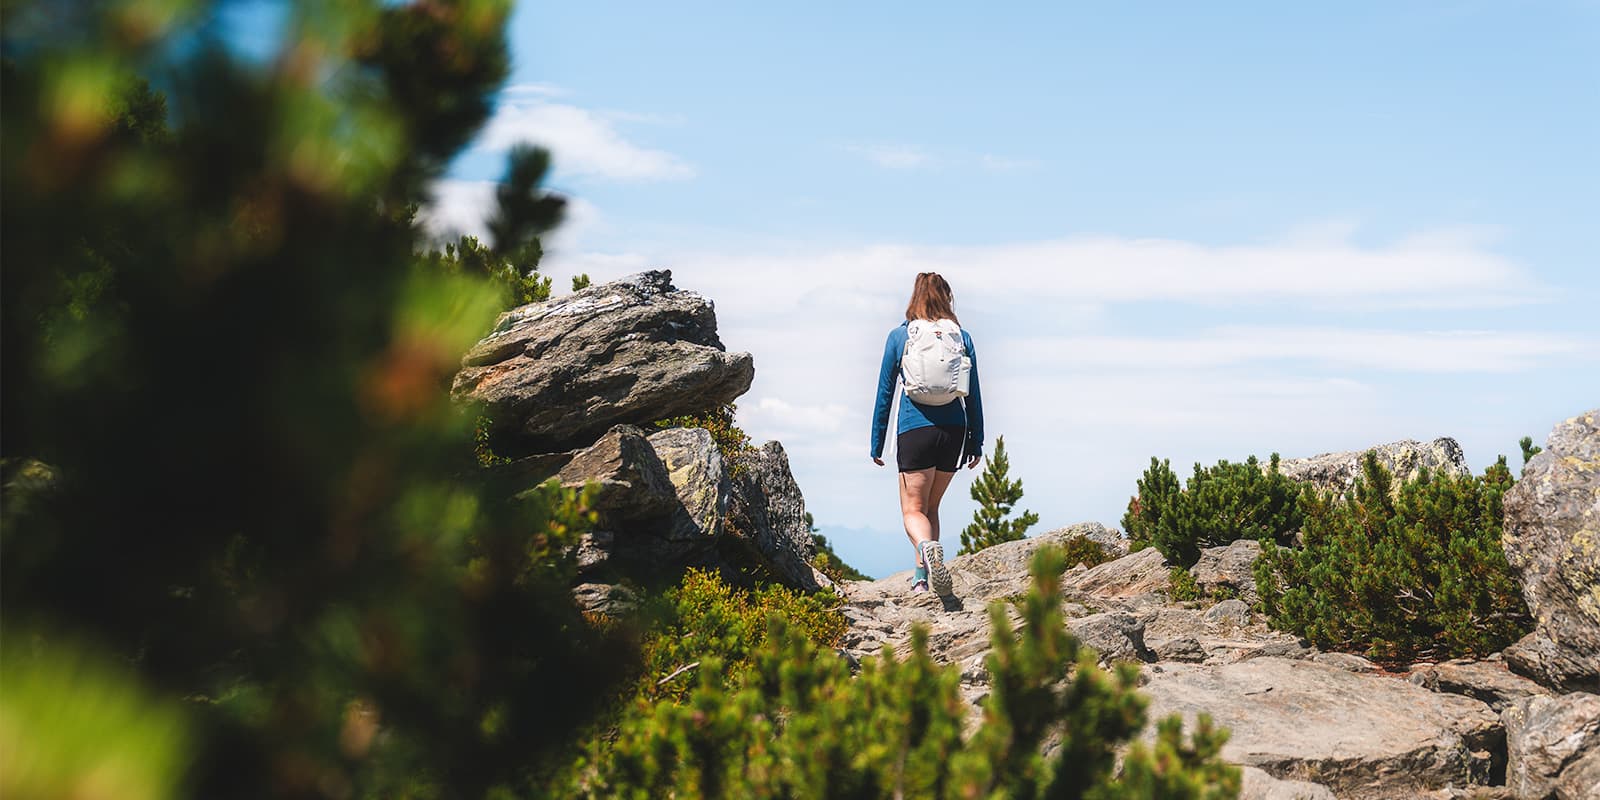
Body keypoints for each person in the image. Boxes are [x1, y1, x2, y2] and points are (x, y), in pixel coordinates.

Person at [870, 272, 984, 596]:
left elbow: (885, 393)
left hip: (914, 428)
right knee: (931, 507)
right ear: (946, 298)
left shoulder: (900, 336)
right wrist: (976, 441)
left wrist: (877, 442)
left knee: (912, 511)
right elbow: (973, 393)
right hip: (954, 430)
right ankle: (923, 578)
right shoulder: (962, 338)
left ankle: (924, 549)